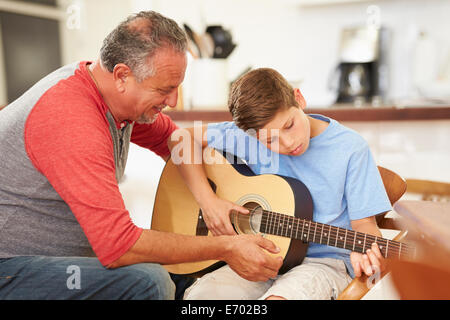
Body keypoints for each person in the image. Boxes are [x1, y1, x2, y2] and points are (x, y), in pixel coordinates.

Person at [0, 11, 282, 300]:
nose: (173, 102)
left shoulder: (109, 94)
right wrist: (226, 246)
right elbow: (119, 246)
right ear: (123, 75)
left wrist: (208, 200)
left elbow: (175, 140)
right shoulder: (72, 119)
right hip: (8, 267)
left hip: (57, 260)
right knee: (150, 280)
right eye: (165, 90)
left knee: (188, 276)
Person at [170, 68, 392, 300]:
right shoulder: (249, 137)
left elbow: (365, 225)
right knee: (200, 299)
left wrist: (364, 249)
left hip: (324, 264)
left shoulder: (350, 148)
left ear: (299, 99)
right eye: (269, 140)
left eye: (289, 125)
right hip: (260, 255)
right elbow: (180, 139)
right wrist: (208, 202)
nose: (287, 142)